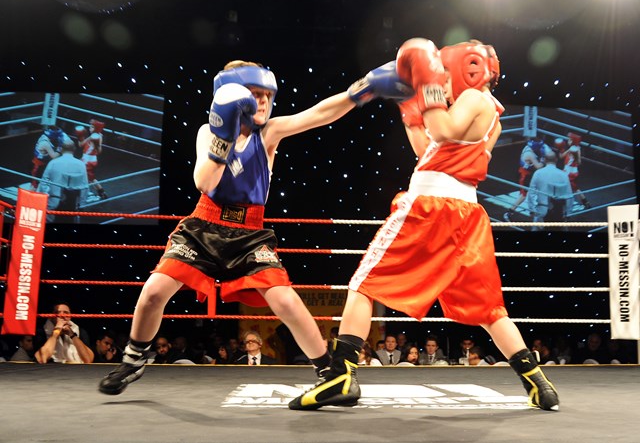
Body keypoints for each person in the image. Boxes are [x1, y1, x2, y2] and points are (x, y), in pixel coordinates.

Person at [98, 59, 412, 395]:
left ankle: (329, 373)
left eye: (267, 95)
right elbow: (204, 182)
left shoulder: (270, 133)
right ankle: (133, 361)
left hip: (249, 232)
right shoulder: (208, 131)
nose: (263, 101)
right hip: (204, 224)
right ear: (233, 95)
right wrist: (224, 135)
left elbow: (318, 114)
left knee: (285, 301)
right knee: (154, 293)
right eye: (255, 93)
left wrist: (361, 90)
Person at [289, 38, 559, 412]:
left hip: (431, 208)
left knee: (363, 284)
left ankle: (339, 376)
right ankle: (537, 382)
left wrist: (427, 84)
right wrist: (408, 105)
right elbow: (430, 148)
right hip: (466, 215)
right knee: (488, 309)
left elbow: (444, 130)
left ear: (469, 69)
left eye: (446, 75)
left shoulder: (474, 98)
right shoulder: (490, 113)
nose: (443, 83)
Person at [37, 140, 89, 223]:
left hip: (54, 201)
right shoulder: (80, 164)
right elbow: (85, 186)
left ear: (61, 149)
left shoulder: (53, 163)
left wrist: (45, 196)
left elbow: (43, 182)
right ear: (74, 149)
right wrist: (82, 204)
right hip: (72, 203)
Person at [503, 136, 548, 222]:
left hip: (527, 173)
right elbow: (539, 166)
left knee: (533, 191)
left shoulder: (528, 147)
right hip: (524, 176)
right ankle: (509, 212)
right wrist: (543, 159)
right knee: (524, 195)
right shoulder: (530, 154)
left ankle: (532, 211)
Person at [526, 149, 573, 231]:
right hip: (559, 211)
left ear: (545, 160)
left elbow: (531, 193)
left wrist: (532, 209)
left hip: (542, 209)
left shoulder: (538, 173)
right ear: (556, 160)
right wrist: (568, 213)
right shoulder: (563, 175)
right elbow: (569, 195)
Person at [559, 132, 591, 209]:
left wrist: (575, 157)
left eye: (570, 140)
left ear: (574, 141)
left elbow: (579, 162)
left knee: (567, 187)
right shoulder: (572, 148)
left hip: (570, 172)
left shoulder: (576, 149)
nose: (568, 141)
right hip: (569, 171)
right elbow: (562, 156)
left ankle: (565, 203)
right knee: (575, 188)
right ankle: (585, 202)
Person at [79, 119, 108, 200]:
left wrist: (83, 159)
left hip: (88, 160)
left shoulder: (95, 137)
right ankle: (101, 192)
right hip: (91, 159)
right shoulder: (98, 135)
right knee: (91, 178)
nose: (89, 128)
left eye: (92, 127)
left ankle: (87, 194)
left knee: (86, 178)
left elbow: (95, 150)